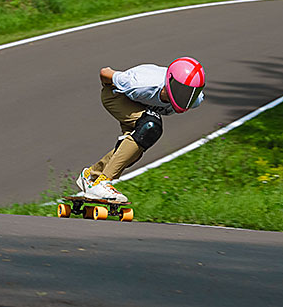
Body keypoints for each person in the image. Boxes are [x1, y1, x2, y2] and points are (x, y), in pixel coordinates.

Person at [76, 57, 206, 202]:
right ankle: (101, 183)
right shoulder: (139, 83)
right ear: (169, 82)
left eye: (190, 93)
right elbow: (105, 73)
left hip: (142, 106)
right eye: (182, 91)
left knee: (133, 149)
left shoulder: (193, 99)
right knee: (150, 126)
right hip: (116, 95)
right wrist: (113, 85)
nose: (185, 97)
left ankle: (91, 176)